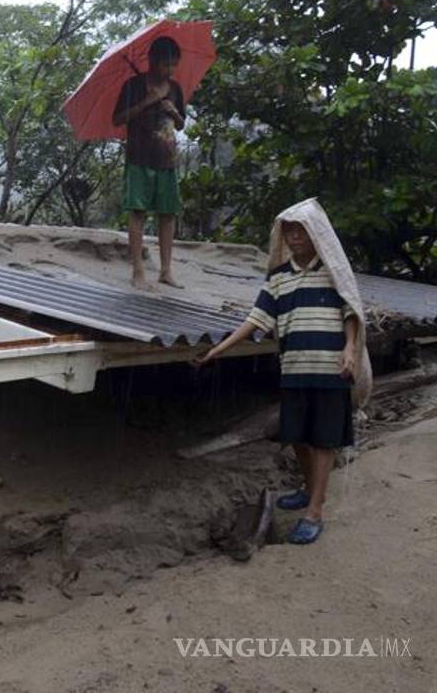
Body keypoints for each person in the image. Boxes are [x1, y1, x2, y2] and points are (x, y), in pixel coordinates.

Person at [192, 198, 373, 544]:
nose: (294, 237)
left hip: (331, 371)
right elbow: (256, 319)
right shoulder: (278, 278)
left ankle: (314, 511)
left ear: (315, 233)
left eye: (300, 231)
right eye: (289, 232)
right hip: (294, 370)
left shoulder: (333, 272)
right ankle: (309, 489)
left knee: (323, 441)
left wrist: (350, 349)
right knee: (297, 436)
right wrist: (218, 350)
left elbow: (351, 311)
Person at [112, 36, 186, 290]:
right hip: (139, 157)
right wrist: (146, 102)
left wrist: (173, 111)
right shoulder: (133, 86)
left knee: (168, 214)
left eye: (174, 64)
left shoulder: (175, 89)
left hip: (167, 159)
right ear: (152, 61)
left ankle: (166, 270)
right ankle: (138, 270)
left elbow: (181, 124)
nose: (170, 70)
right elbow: (117, 119)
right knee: (138, 212)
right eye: (166, 64)